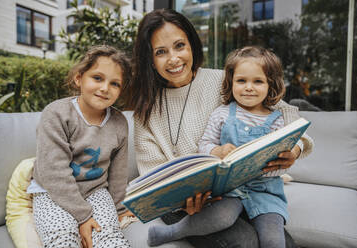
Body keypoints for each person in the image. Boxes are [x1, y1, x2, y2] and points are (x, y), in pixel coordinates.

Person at [126, 9, 312, 248]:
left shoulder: (225, 80)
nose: (173, 59)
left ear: (192, 45)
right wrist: (184, 201)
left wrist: (296, 148)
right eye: (161, 52)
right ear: (149, 59)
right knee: (244, 242)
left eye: (179, 45)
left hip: (244, 190)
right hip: (185, 203)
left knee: (280, 243)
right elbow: (155, 176)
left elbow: (288, 116)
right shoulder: (146, 111)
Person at [27, 45, 133, 248]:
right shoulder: (57, 114)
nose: (104, 88)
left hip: (95, 191)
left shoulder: (119, 123)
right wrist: (83, 217)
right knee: (63, 237)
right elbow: (54, 173)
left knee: (110, 238)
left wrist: (119, 209)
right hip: (52, 192)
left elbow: (118, 174)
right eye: (97, 78)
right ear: (79, 78)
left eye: (115, 84)